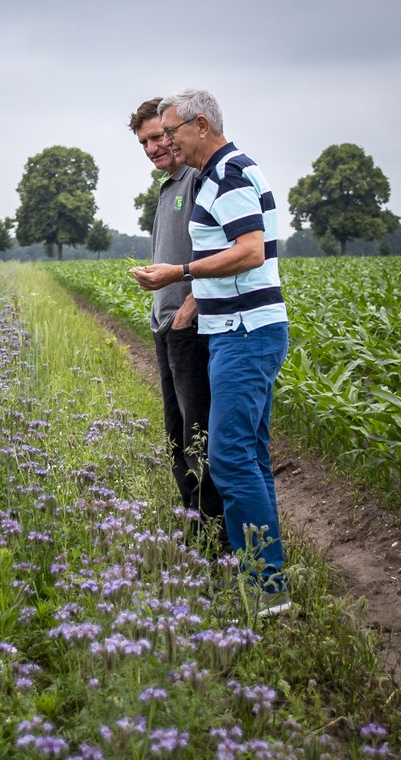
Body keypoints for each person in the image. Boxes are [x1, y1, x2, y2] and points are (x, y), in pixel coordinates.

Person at [131, 88, 291, 613]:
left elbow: (250, 250)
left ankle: (265, 587)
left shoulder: (229, 175)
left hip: (246, 331)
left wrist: (180, 274)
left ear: (200, 126)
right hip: (234, 330)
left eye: (171, 131)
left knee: (227, 456)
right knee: (248, 456)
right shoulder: (219, 176)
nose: (167, 142)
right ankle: (270, 584)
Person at [127, 98, 226, 552]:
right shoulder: (169, 186)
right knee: (174, 435)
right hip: (165, 325)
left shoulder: (199, 179)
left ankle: (216, 539)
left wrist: (189, 306)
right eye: (144, 140)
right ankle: (195, 533)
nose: (152, 147)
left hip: (189, 327)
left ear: (177, 132)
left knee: (197, 437)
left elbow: (216, 252)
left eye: (158, 136)